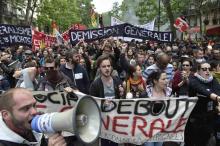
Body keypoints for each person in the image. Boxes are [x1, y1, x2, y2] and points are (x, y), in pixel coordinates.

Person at [0, 88, 66, 146]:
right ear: (6, 115)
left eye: (34, 105)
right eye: (26, 108)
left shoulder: (29, 126)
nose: (34, 112)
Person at [89, 54, 125, 146]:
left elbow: (122, 100)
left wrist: (122, 94)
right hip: (103, 121)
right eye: (104, 66)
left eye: (108, 66)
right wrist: (102, 104)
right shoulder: (95, 85)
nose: (107, 68)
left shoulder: (117, 80)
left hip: (115, 120)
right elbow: (91, 104)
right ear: (99, 68)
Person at [185, 61, 220, 146]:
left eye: (209, 69)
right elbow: (202, 90)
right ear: (198, 71)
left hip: (210, 118)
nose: (207, 71)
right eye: (204, 69)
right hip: (195, 119)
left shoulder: (213, 80)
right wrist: (216, 98)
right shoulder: (193, 80)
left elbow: (218, 91)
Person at [144, 71, 172, 146]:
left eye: (166, 78)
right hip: (147, 129)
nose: (166, 81)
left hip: (161, 129)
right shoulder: (145, 93)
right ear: (155, 81)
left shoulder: (169, 93)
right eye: (163, 79)